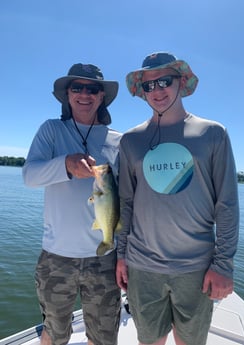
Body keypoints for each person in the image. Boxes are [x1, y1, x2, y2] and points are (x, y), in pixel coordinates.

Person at [116, 52, 239, 345]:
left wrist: (223, 265)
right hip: (142, 266)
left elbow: (227, 204)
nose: (157, 91)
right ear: (141, 91)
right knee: (150, 341)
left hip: (195, 268)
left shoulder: (213, 133)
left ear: (182, 82)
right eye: (149, 85)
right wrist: (121, 255)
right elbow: (126, 203)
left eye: (164, 81)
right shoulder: (130, 141)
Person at [23, 63, 122, 345]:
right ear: (67, 94)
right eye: (77, 87)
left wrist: (124, 254)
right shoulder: (51, 131)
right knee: (53, 333)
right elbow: (29, 175)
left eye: (93, 89)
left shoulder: (119, 141)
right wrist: (65, 164)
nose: (84, 94)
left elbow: (125, 201)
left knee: (103, 337)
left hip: (105, 259)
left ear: (102, 96)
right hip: (56, 257)